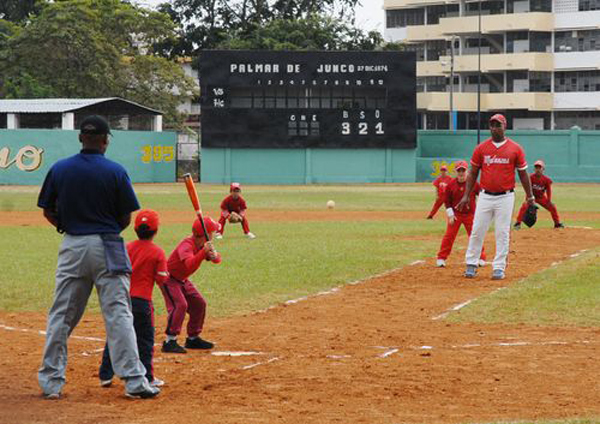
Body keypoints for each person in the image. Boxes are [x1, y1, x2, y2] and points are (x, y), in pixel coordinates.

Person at [37, 115, 159, 399]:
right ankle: (134, 381)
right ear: (105, 140)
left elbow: (47, 210)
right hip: (108, 244)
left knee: (61, 315)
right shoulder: (115, 171)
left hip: (72, 245)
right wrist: (105, 231)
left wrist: (67, 226)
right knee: (118, 314)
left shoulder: (60, 169)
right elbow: (126, 217)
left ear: (81, 138)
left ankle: (51, 383)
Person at [457, 113, 535, 280]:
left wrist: (530, 197)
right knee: (477, 230)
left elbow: (523, 174)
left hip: (505, 197)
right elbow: (473, 173)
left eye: (497, 125)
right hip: (485, 196)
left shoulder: (515, 148)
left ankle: (498, 267)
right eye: (492, 125)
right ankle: (471, 263)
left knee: (502, 232)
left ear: (504, 127)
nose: (494, 128)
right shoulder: (481, 148)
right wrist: (466, 195)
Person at [99, 209, 168, 388]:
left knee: (116, 334)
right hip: (143, 301)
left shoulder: (127, 247)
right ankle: (148, 377)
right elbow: (162, 279)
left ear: (136, 229)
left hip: (123, 298)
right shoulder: (158, 252)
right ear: (156, 230)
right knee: (145, 340)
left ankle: (105, 375)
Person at [160, 217, 222, 353]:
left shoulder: (202, 245)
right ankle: (170, 341)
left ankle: (193, 338)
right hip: (169, 279)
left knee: (199, 304)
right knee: (180, 305)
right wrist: (203, 252)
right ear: (205, 234)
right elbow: (189, 263)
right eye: (212, 232)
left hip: (182, 279)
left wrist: (213, 255)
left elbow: (217, 260)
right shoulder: (187, 245)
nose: (213, 234)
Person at [436, 161, 486, 267]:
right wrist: (450, 215)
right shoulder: (450, 185)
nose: (461, 173)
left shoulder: (473, 183)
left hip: (471, 215)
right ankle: (441, 258)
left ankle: (481, 257)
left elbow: (482, 196)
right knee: (449, 236)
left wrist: (480, 213)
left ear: (467, 171)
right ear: (455, 172)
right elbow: (447, 201)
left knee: (475, 236)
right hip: (456, 215)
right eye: (459, 170)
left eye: (463, 170)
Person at [514, 160, 564, 229]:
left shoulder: (546, 180)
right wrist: (528, 199)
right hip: (532, 197)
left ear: (543, 169)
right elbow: (527, 188)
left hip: (541, 198)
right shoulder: (530, 178)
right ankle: (517, 223)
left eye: (539, 168)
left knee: (552, 207)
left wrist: (549, 200)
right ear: (534, 169)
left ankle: (557, 223)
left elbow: (548, 190)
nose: (537, 169)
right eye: (536, 168)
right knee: (524, 206)